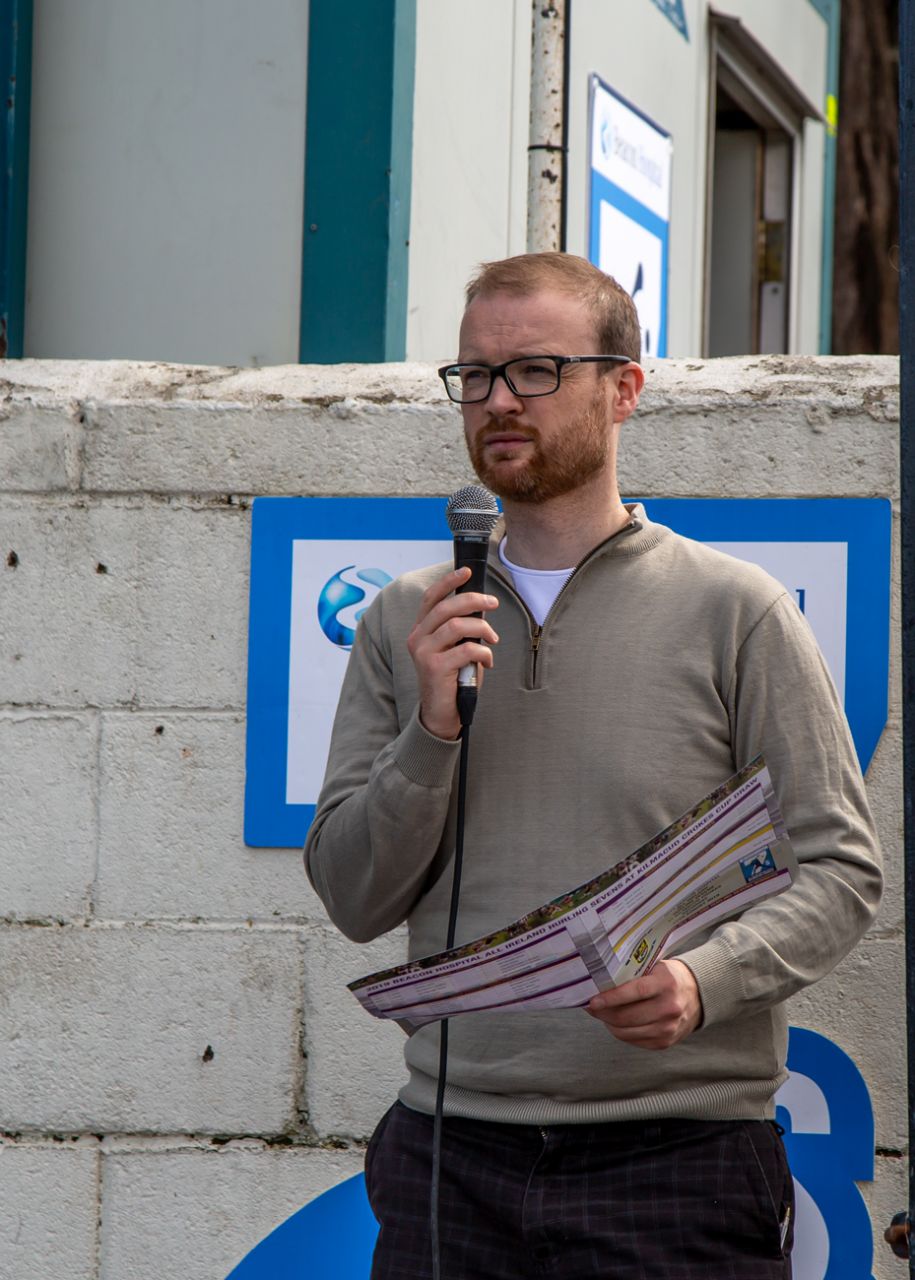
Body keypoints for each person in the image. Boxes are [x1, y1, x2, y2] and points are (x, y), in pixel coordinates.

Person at [305, 252, 883, 1279]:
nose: (496, 401)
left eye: (534, 370)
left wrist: (703, 983)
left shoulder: (734, 609)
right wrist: (430, 733)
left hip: (680, 1160)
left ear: (625, 389)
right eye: (474, 375)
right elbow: (354, 892)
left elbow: (839, 869)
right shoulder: (406, 619)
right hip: (450, 1157)